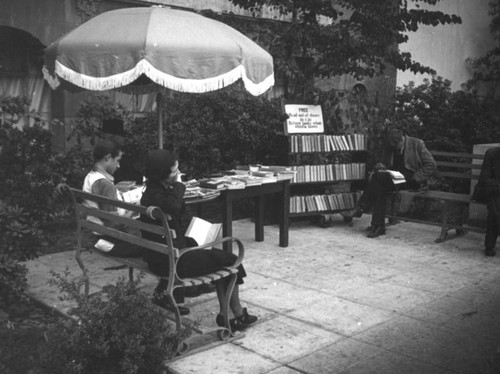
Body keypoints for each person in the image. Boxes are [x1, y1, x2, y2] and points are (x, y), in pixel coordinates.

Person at [140, 149, 257, 331]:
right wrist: (179, 186)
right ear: (163, 174)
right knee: (231, 261)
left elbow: (177, 213)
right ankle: (233, 314)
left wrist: (173, 187)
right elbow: (174, 206)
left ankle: (232, 311)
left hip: (159, 257)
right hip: (172, 263)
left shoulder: (152, 192)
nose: (178, 174)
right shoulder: (162, 196)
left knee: (198, 247)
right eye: (175, 171)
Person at [348, 128, 437, 238]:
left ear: (401, 141)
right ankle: (378, 225)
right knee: (380, 184)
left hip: (413, 179)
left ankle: (362, 207)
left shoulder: (417, 144)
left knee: (378, 179)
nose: (394, 150)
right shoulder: (390, 146)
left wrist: (417, 178)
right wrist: (382, 167)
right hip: (394, 178)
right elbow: (388, 164)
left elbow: (431, 165)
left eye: (396, 147)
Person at [82, 140, 142, 257]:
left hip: (94, 235)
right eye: (118, 161)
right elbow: (113, 224)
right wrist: (135, 209)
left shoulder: (91, 176)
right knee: (153, 246)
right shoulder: (105, 184)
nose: (119, 166)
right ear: (108, 158)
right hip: (106, 240)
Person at [472, 146, 500, 257]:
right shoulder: (492, 153)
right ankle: (489, 245)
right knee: (496, 205)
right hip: (492, 191)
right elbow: (484, 179)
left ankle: (489, 245)